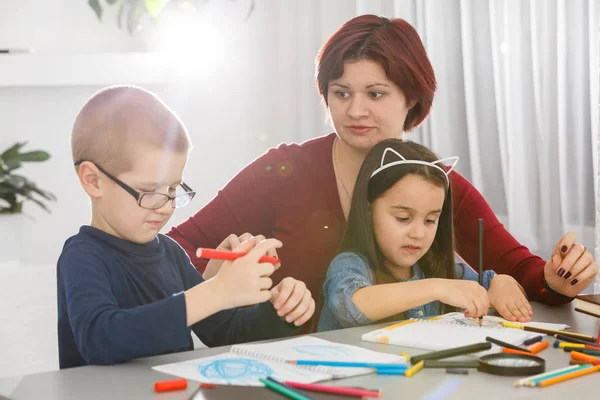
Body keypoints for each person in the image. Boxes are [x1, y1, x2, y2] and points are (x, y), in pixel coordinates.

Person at [168, 15, 597, 332]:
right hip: (289, 379)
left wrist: (559, 277)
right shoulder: (283, 170)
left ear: (412, 98)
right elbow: (173, 249)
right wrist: (216, 286)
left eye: (375, 93)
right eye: (341, 93)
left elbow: (522, 272)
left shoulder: (439, 185)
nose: (355, 111)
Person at [57, 86, 315, 369]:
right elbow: (100, 340)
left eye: (173, 188)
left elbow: (226, 332)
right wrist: (216, 292)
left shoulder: (171, 253)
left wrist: (279, 312)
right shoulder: (82, 257)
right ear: (93, 180)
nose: (166, 206)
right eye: (150, 191)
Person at [318, 140, 533, 331]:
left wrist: (502, 282)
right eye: (403, 218)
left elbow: (486, 284)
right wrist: (437, 288)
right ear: (368, 210)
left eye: (430, 220)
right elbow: (349, 305)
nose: (419, 233)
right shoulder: (350, 264)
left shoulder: (436, 265)